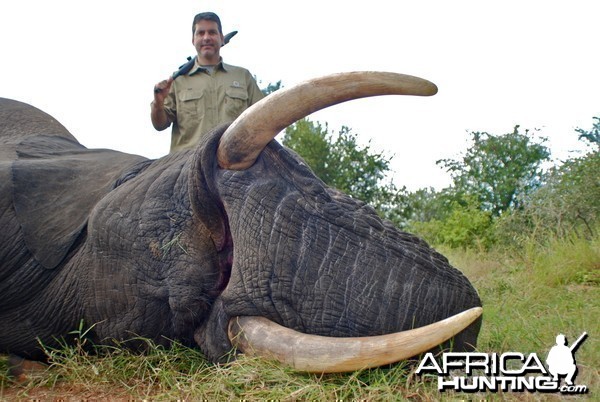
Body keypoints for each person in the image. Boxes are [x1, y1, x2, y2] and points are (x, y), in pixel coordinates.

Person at [151, 12, 265, 153]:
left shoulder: (243, 76)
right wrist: (158, 103)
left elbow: (263, 119)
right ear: (193, 40)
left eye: (212, 32)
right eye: (200, 33)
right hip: (186, 166)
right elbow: (159, 124)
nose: (206, 38)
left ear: (221, 38)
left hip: (235, 164)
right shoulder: (176, 81)